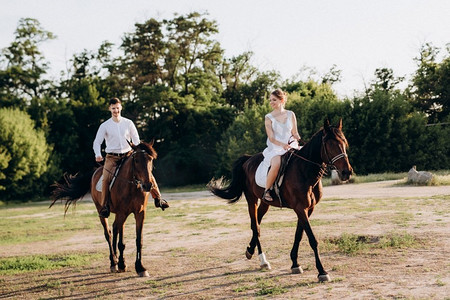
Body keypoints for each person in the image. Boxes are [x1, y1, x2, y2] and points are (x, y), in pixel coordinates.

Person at [93, 97, 140, 218]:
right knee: (105, 179)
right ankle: (105, 206)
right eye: (113, 108)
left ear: (121, 108)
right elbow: (97, 142)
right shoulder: (105, 126)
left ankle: (158, 198)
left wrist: (137, 151)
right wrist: (98, 154)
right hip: (112, 158)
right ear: (110, 109)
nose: (116, 111)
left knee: (145, 171)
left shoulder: (128, 123)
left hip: (128, 155)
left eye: (117, 108)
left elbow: (136, 140)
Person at [261, 89, 301, 202]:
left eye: (274, 100)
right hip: (276, 148)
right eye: (270, 100)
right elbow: (271, 138)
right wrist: (283, 145)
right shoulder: (268, 117)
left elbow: (294, 132)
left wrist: (297, 137)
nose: (271, 102)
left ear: (281, 100)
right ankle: (267, 190)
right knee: (277, 163)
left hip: (291, 145)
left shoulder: (291, 114)